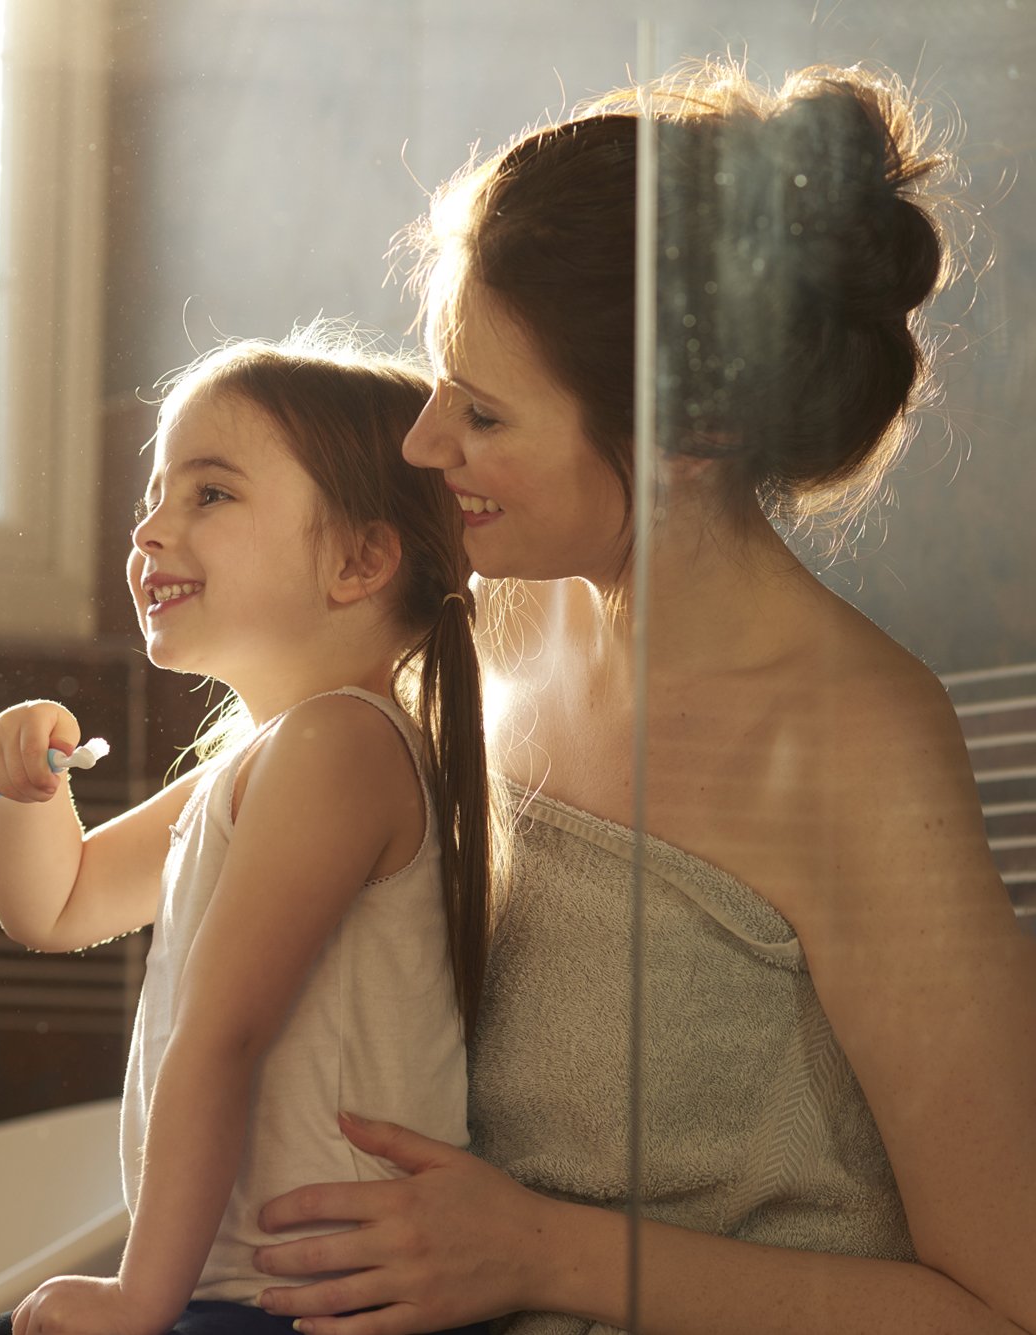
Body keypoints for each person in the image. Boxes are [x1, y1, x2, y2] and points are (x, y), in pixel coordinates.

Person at [246, 59, 1036, 1335]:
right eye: (441, 381)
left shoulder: (855, 746)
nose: (423, 443)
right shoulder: (505, 609)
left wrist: (549, 1257)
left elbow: (1007, 1308)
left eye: (485, 413)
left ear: (691, 434)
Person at [0, 330, 494, 1335]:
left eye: (207, 495)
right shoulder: (261, 759)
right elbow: (60, 904)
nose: (150, 532)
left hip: (313, 1312)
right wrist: (28, 793)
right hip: (249, 1296)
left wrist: (137, 1299)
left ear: (359, 559)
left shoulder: (340, 748)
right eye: (150, 501)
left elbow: (225, 1035)